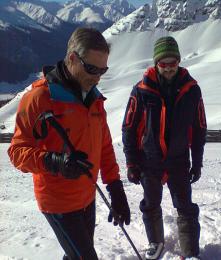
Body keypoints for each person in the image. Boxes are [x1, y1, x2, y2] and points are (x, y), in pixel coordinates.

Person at [8, 27, 130, 260]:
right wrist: (54, 161)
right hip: (58, 201)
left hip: (87, 196)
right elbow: (16, 152)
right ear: (73, 58)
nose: (97, 77)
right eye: (92, 69)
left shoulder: (94, 98)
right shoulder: (40, 98)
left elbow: (104, 146)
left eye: (103, 70)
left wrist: (115, 187)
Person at [122, 36, 207, 260]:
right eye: (163, 64)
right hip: (149, 160)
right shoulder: (141, 90)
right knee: (150, 204)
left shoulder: (192, 90)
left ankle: (190, 252)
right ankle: (155, 242)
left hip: (179, 160)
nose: (168, 68)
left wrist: (197, 162)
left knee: (185, 207)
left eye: (173, 63)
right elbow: (129, 128)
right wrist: (131, 162)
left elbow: (199, 129)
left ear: (179, 62)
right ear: (156, 63)